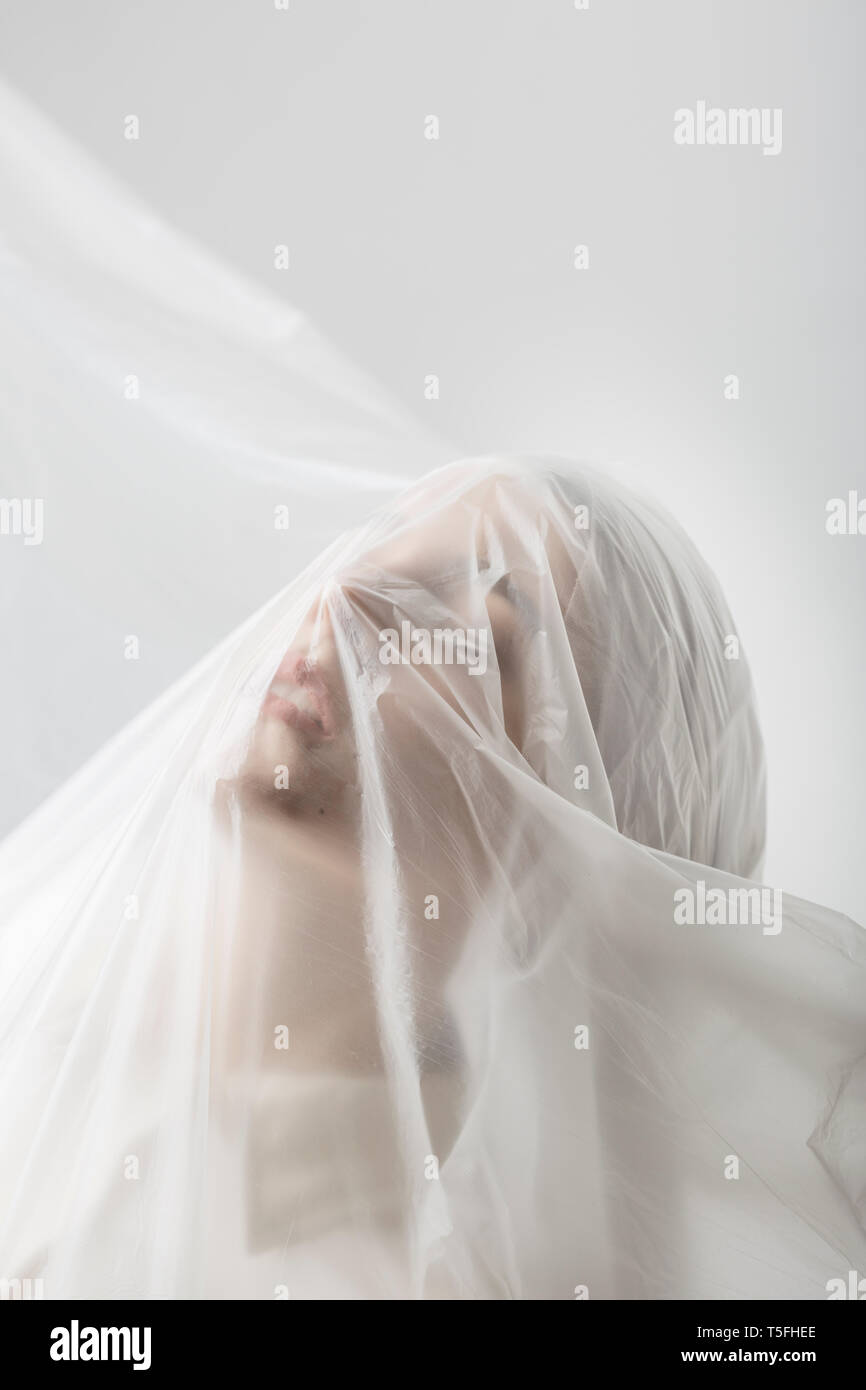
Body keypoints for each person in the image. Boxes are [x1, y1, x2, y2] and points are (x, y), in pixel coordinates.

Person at [0, 456, 863, 1299]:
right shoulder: (52, 1042)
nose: (343, 600)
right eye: (371, 554)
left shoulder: (414, 1278)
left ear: (574, 863)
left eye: (478, 635)